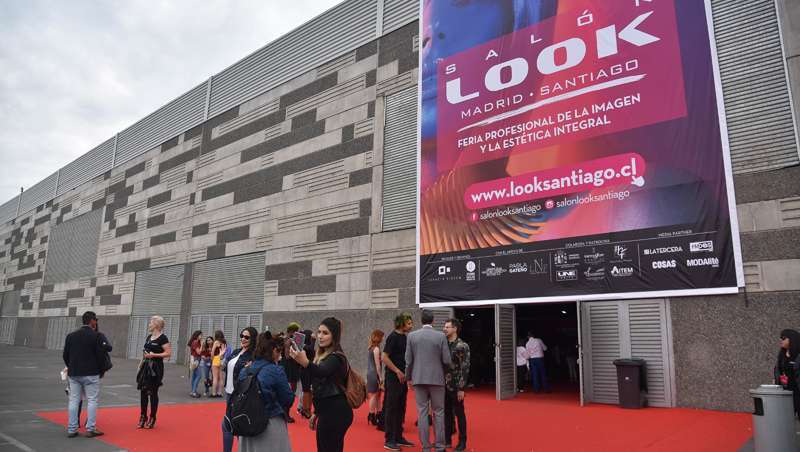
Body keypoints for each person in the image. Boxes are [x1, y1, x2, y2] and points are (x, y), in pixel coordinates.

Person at [289, 317, 353, 452]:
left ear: (334, 335)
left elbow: (321, 372)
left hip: (336, 413)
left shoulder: (336, 357)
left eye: (325, 333)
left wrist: (305, 362)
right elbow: (317, 384)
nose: (320, 336)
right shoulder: (322, 355)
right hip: (327, 412)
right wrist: (317, 412)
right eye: (319, 332)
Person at [238, 333, 295, 452]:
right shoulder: (275, 370)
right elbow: (288, 399)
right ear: (274, 350)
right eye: (280, 351)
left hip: (247, 422)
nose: (280, 355)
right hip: (270, 423)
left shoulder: (245, 370)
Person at [405, 310, 451, 452]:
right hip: (437, 378)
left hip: (418, 378)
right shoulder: (440, 336)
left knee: (422, 412)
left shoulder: (412, 336)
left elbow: (408, 360)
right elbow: (446, 360)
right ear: (433, 320)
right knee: (439, 412)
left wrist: (408, 377)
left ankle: (425, 446)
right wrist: (445, 372)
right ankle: (440, 446)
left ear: (421, 320)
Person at [62, 311, 105, 438]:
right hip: (91, 373)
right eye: (95, 320)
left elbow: (65, 355)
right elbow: (100, 356)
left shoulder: (71, 336)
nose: (96, 322)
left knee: (74, 400)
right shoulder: (96, 336)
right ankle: (90, 428)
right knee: (92, 400)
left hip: (74, 373)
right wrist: (101, 370)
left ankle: (72, 429)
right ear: (91, 321)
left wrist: (71, 366)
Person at [221, 327, 258, 452]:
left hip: (241, 395)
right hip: (229, 393)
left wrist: (249, 368)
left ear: (253, 339)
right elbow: (225, 367)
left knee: (235, 425)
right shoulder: (236, 351)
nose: (243, 339)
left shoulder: (253, 356)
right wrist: (221, 358)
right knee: (229, 424)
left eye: (246, 337)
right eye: (241, 335)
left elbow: (252, 375)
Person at [382, 312, 415, 450]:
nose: (411, 325)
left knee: (401, 407)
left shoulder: (405, 337)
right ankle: (389, 440)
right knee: (392, 408)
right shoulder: (393, 337)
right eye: (409, 323)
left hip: (402, 379)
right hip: (393, 378)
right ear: (401, 323)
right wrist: (397, 371)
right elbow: (384, 357)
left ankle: (398, 436)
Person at [136, 315, 172, 429]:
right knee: (143, 391)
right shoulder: (148, 337)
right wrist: (140, 364)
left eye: (151, 323)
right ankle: (143, 416)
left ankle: (152, 417)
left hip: (156, 368)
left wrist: (154, 355)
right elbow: (145, 352)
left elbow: (168, 353)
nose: (149, 325)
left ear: (156, 324)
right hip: (145, 366)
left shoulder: (163, 338)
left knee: (152, 392)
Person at [443, 318, 470, 452]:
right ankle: (447, 439)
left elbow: (465, 368)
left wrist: (461, 388)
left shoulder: (462, 346)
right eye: (445, 327)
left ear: (455, 329)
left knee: (459, 413)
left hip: (456, 385)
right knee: (446, 413)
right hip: (443, 385)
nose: (445, 329)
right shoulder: (444, 344)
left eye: (447, 327)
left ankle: (462, 441)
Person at [774, 329, 800, 419]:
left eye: (783, 338)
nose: (781, 340)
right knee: (786, 418)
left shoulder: (798, 354)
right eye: (780, 338)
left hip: (797, 391)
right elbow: (778, 369)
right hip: (785, 391)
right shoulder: (782, 354)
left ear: (792, 339)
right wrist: (777, 380)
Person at [281, 322, 302, 423]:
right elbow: (288, 356)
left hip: (290, 368)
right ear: (292, 331)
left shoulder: (288, 339)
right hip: (289, 368)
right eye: (296, 331)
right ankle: (285, 414)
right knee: (290, 392)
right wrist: (293, 345)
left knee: (290, 391)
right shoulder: (287, 341)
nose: (297, 333)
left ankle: (285, 413)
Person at [367, 329, 384, 426]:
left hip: (370, 373)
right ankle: (372, 414)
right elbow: (378, 365)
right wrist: (380, 377)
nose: (383, 339)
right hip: (375, 374)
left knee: (377, 395)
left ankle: (377, 413)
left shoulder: (370, 348)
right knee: (374, 395)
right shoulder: (376, 349)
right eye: (382, 337)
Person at [297, 329, 316, 419]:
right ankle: (305, 410)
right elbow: (311, 349)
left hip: (309, 370)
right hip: (304, 370)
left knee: (309, 390)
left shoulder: (306, 345)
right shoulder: (303, 346)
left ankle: (308, 409)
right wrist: (313, 340)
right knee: (306, 390)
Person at [211, 330, 228, 397]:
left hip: (216, 359)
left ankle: (214, 393)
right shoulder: (224, 342)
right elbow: (225, 351)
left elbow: (212, 352)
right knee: (221, 378)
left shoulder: (216, 342)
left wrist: (212, 359)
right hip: (222, 359)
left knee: (215, 377)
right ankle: (219, 393)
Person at [187, 330, 203, 397]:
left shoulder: (195, 342)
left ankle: (193, 390)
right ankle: (193, 391)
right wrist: (202, 345)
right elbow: (199, 352)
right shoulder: (195, 342)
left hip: (195, 359)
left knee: (194, 375)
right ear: (197, 335)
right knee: (199, 375)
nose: (202, 336)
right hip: (196, 359)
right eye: (200, 335)